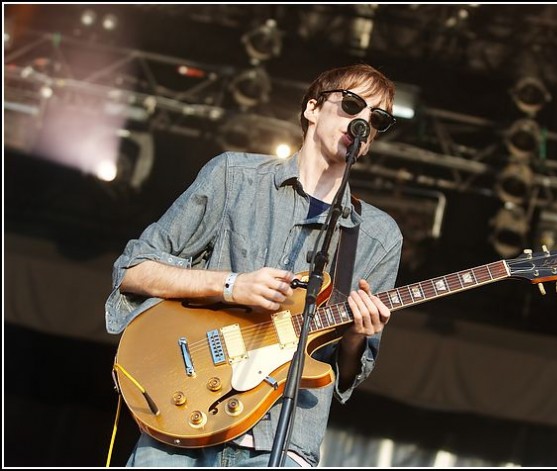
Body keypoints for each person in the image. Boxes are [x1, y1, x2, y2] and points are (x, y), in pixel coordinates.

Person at [105, 63, 403, 467]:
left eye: (377, 118)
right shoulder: (234, 176)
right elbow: (134, 269)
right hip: (182, 414)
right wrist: (230, 285)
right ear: (313, 109)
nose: (362, 121)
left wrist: (357, 335)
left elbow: (349, 371)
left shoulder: (378, 236)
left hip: (280, 438)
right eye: (351, 105)